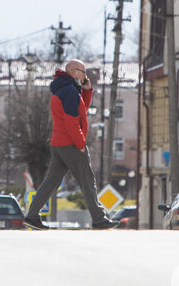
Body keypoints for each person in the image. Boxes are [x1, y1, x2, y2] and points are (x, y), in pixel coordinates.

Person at [23, 59, 119, 230]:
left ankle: (31, 216)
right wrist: (80, 143)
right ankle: (99, 219)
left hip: (58, 143)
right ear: (74, 72)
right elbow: (72, 122)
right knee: (87, 179)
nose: (85, 75)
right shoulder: (69, 91)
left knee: (51, 181)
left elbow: (80, 111)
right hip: (70, 144)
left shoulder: (63, 88)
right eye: (83, 71)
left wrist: (86, 91)